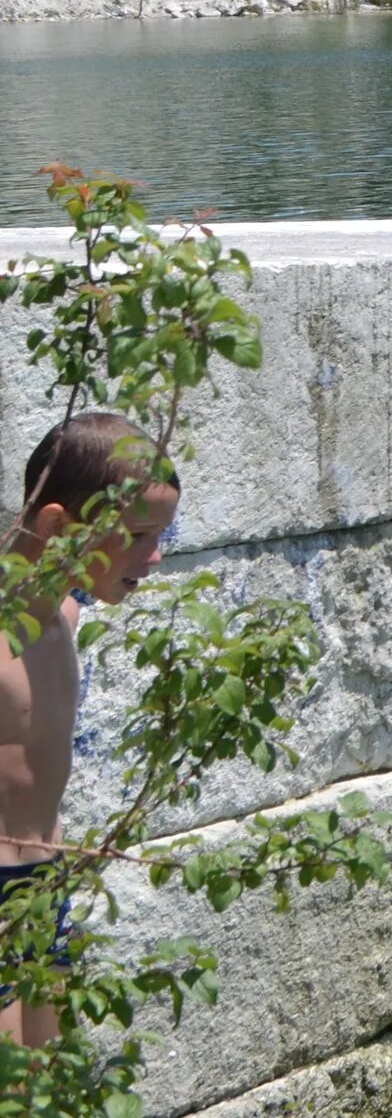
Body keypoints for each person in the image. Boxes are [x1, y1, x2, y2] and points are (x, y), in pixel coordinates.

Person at [0, 413, 181, 1048]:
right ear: (56, 526)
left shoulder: (64, 614)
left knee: (50, 1079)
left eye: (160, 535)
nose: (153, 558)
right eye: (136, 535)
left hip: (46, 881)